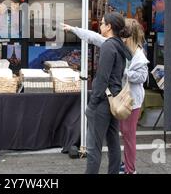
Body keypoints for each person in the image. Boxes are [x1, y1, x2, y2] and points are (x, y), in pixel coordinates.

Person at [62, 18, 148, 174]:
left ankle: (130, 169)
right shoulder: (117, 45)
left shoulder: (135, 54)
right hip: (115, 99)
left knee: (127, 136)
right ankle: (120, 168)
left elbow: (141, 77)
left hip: (129, 100)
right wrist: (74, 29)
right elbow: (94, 37)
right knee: (115, 137)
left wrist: (122, 72)